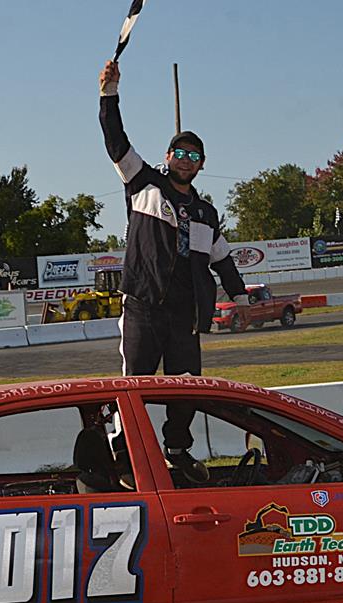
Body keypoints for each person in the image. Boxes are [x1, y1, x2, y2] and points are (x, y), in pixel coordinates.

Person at [99, 60, 250, 483]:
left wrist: (241, 299)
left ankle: (178, 452)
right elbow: (115, 142)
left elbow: (221, 259)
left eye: (194, 155)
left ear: (202, 164)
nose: (186, 160)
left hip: (186, 316)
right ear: (168, 157)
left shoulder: (207, 213)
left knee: (186, 389)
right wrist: (109, 94)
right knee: (135, 387)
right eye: (180, 153)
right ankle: (125, 457)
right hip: (144, 307)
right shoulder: (142, 183)